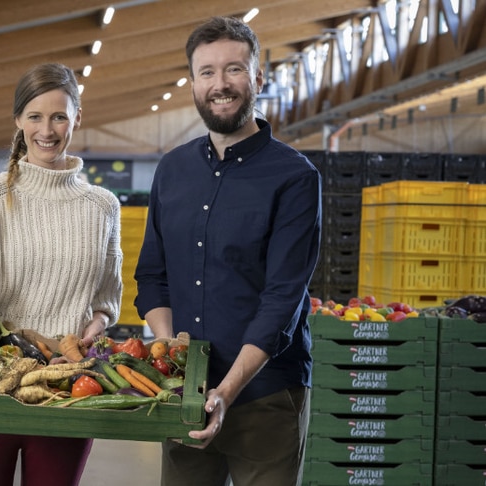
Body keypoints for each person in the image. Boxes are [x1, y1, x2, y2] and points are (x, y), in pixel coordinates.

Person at [134, 16, 322, 486]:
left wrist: (226, 389)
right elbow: (153, 275)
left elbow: (282, 299)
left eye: (234, 70)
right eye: (207, 72)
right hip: (184, 395)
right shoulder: (173, 170)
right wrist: (175, 357)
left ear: (258, 77)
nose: (221, 84)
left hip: (265, 395)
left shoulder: (295, 178)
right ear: (193, 83)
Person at [0, 62, 123, 486]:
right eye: (35, 116)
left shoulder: (102, 206)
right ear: (18, 120)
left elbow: (105, 302)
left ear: (77, 117)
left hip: (66, 387)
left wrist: (88, 336)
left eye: (59, 116)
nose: (47, 129)